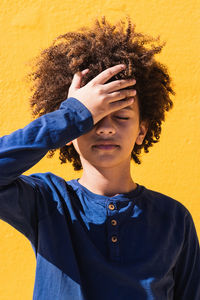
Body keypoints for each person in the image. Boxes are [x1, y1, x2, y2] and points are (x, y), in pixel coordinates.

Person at [0, 17, 199, 300]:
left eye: (121, 117)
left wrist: (79, 116)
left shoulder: (174, 219)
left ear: (142, 130)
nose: (106, 128)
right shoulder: (47, 202)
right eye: (92, 119)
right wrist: (72, 114)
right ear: (69, 132)